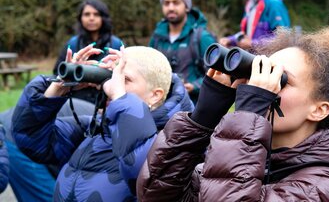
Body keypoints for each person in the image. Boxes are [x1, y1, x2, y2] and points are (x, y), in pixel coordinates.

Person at [137, 18, 329, 201]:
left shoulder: (327, 186)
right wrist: (202, 119)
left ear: (319, 110)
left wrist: (248, 118)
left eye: (281, 80)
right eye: (262, 71)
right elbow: (156, 194)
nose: (264, 85)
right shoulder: (249, 153)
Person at [12, 45, 194, 201]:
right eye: (110, 76)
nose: (110, 85)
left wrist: (120, 100)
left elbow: (143, 175)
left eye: (125, 79)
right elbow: (31, 138)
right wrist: (59, 86)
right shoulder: (96, 129)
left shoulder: (172, 143)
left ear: (155, 95)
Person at [149, 0, 216, 104]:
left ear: (186, 6)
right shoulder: (157, 36)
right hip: (161, 106)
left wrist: (194, 86)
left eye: (176, 2)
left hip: (194, 108)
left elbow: (217, 73)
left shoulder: (202, 37)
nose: (171, 7)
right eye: (166, 3)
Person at [53, 0, 125, 103]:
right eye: (87, 14)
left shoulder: (116, 44)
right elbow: (57, 73)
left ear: (103, 18)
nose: (91, 18)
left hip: (107, 102)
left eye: (96, 14)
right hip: (76, 100)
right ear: (80, 18)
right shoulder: (72, 44)